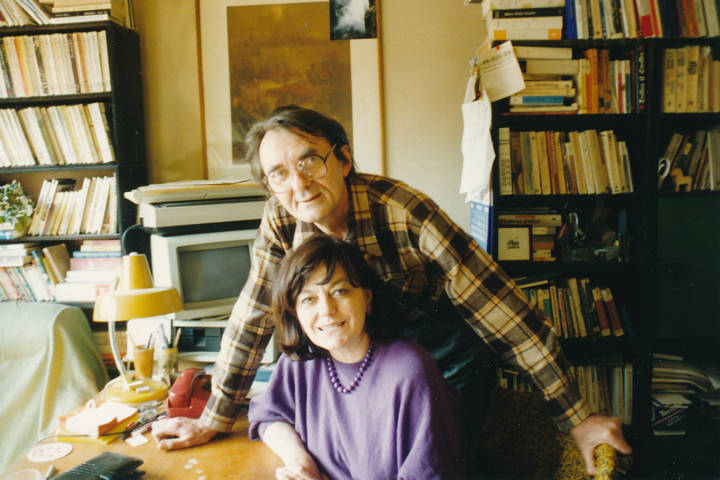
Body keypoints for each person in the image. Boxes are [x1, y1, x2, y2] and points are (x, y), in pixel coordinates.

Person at [152, 105, 631, 474]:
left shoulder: (405, 212)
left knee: (437, 460)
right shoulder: (281, 217)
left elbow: (501, 311)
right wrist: (214, 418)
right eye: (278, 174)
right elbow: (253, 312)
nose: (298, 183)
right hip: (362, 349)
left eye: (310, 161)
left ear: (343, 159)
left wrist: (576, 416)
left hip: (442, 352)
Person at [247, 233, 466, 479]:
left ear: (367, 296)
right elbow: (269, 415)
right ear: (295, 311)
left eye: (340, 291)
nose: (326, 310)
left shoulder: (410, 371)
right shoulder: (300, 361)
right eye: (308, 299)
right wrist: (300, 462)